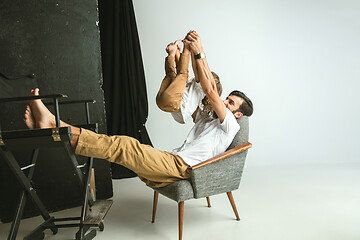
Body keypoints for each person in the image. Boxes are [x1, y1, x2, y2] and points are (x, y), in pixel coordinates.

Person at [24, 30, 253, 188]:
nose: (224, 102)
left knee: (123, 145)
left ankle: (52, 125)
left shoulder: (230, 125)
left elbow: (211, 91)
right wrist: (188, 53)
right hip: (170, 159)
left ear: (238, 114)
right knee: (117, 145)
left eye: (230, 103)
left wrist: (199, 51)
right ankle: (52, 126)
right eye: (227, 99)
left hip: (182, 168)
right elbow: (199, 84)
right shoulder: (207, 119)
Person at [156, 38, 222, 124]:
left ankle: (172, 54)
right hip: (165, 102)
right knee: (174, 76)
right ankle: (171, 54)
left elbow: (191, 69)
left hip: (171, 101)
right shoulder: (193, 84)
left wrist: (188, 48)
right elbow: (181, 71)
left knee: (179, 74)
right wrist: (177, 53)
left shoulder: (201, 89)